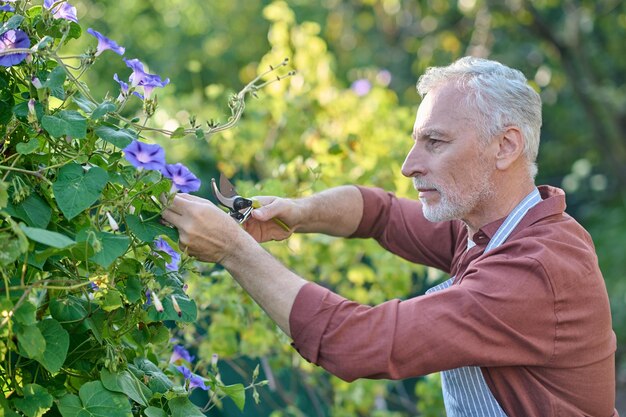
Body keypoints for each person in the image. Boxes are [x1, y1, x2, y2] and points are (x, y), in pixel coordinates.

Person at [161, 57, 618, 416]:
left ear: (506, 146)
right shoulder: (493, 228)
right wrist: (299, 212)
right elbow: (378, 212)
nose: (409, 164)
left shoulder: (534, 271)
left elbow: (354, 343)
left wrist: (233, 249)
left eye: (434, 142)